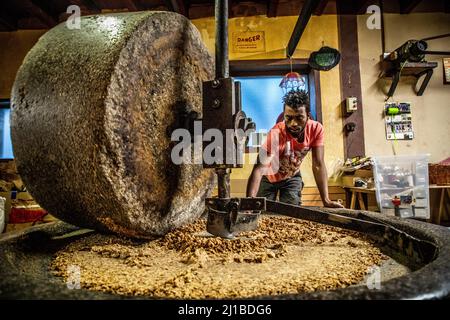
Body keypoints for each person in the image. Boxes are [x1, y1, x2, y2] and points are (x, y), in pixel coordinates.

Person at [246, 89, 343, 208]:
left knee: (292, 213)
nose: (293, 123)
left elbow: (318, 164)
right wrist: (249, 204)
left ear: (308, 116)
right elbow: (259, 169)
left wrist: (326, 200)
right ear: (284, 116)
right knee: (261, 210)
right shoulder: (276, 133)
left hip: (292, 177)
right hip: (268, 178)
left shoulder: (316, 129)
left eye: (299, 118)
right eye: (289, 118)